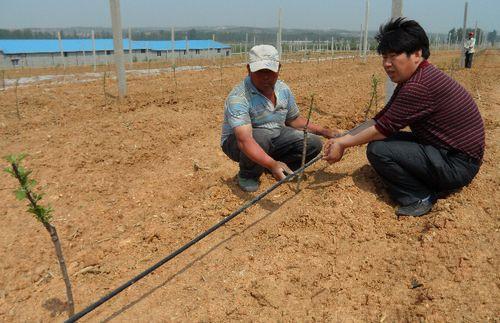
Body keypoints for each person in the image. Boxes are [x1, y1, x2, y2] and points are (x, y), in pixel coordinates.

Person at [323, 18, 485, 217]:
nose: (387, 64)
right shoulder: (417, 78)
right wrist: (342, 138)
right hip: (450, 155)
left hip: (457, 165)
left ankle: (419, 196)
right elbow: (380, 119)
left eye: (393, 56)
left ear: (417, 54)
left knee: (379, 149)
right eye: (384, 57)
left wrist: (342, 145)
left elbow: (381, 129)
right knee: (384, 141)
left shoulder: (419, 86)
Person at [221, 44, 338, 192]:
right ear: (249, 69)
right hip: (238, 142)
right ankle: (248, 175)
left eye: (270, 71)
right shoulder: (239, 97)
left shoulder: (283, 89)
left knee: (313, 143)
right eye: (260, 71)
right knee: (260, 136)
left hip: (275, 135)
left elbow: (294, 120)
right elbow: (244, 140)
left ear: (279, 68)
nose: (265, 77)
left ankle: (278, 168)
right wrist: (272, 163)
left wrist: (324, 131)